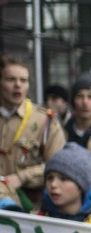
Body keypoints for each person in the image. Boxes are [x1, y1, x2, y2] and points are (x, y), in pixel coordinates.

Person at [0, 55, 66, 210]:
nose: (18, 85)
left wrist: (21, 178)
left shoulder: (44, 120)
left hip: (29, 207)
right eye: (11, 79)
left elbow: (58, 166)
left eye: (23, 81)